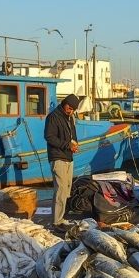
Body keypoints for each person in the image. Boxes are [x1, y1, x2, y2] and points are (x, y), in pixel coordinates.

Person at [45, 94, 80, 229]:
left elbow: (73, 135)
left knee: (66, 189)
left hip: (68, 157)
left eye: (73, 109)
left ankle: (60, 217)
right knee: (60, 189)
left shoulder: (70, 118)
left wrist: (75, 144)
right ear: (64, 103)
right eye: (69, 107)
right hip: (57, 157)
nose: (70, 110)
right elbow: (49, 137)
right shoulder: (53, 116)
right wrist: (67, 145)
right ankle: (56, 221)